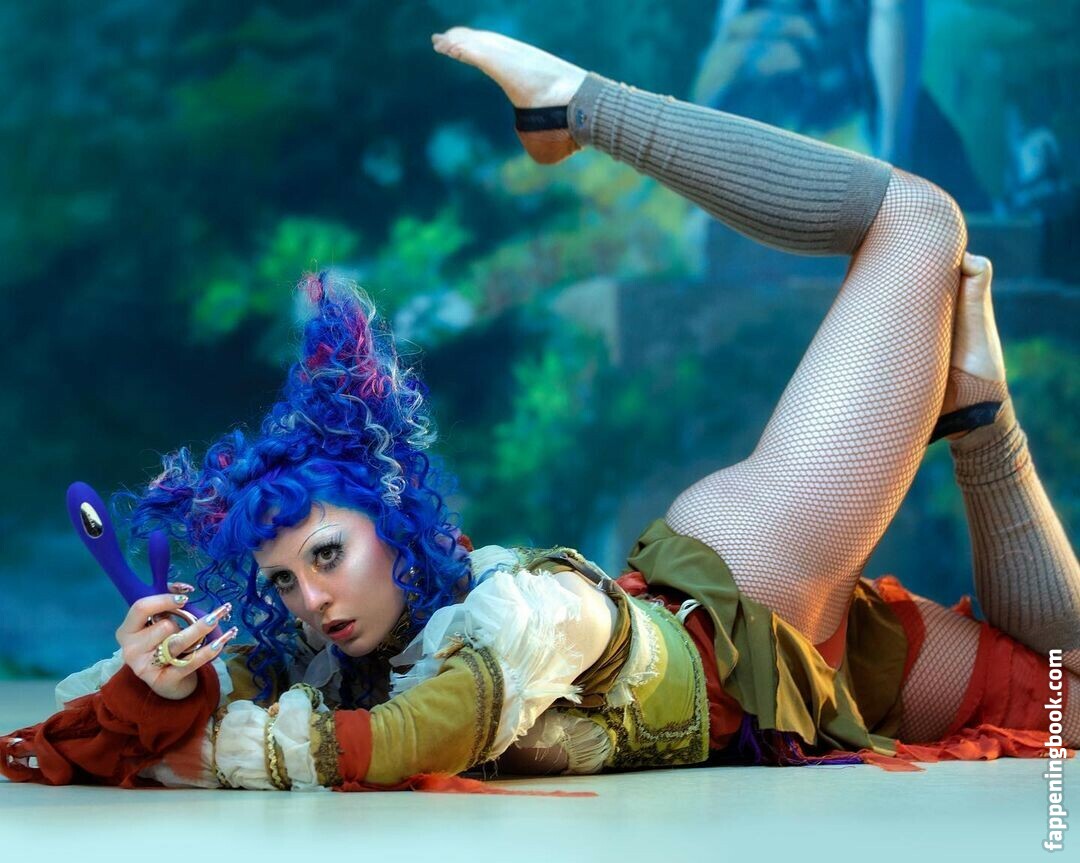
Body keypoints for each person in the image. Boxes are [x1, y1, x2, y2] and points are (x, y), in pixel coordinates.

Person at [2, 27, 1077, 791]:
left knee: (918, 217)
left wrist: (233, 753)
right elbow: (76, 743)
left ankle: (580, 106)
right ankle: (980, 415)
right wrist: (152, 680)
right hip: (811, 694)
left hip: (746, 592)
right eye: (283, 578)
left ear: (394, 526)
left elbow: (435, 726)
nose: (311, 595)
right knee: (1065, 690)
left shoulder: (508, 611)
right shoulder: (323, 659)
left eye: (326, 553)